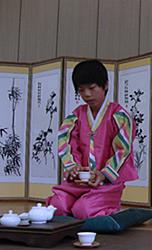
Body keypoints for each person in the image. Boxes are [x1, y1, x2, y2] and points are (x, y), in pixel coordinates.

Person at [46, 59, 138, 219]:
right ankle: (79, 204)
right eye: (81, 90)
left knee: (83, 210)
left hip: (106, 184)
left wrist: (103, 174)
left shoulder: (119, 116)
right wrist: (73, 168)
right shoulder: (75, 116)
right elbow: (66, 143)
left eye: (92, 88)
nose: (87, 94)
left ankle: (109, 206)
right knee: (57, 206)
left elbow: (122, 150)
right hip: (79, 183)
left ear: (105, 85)